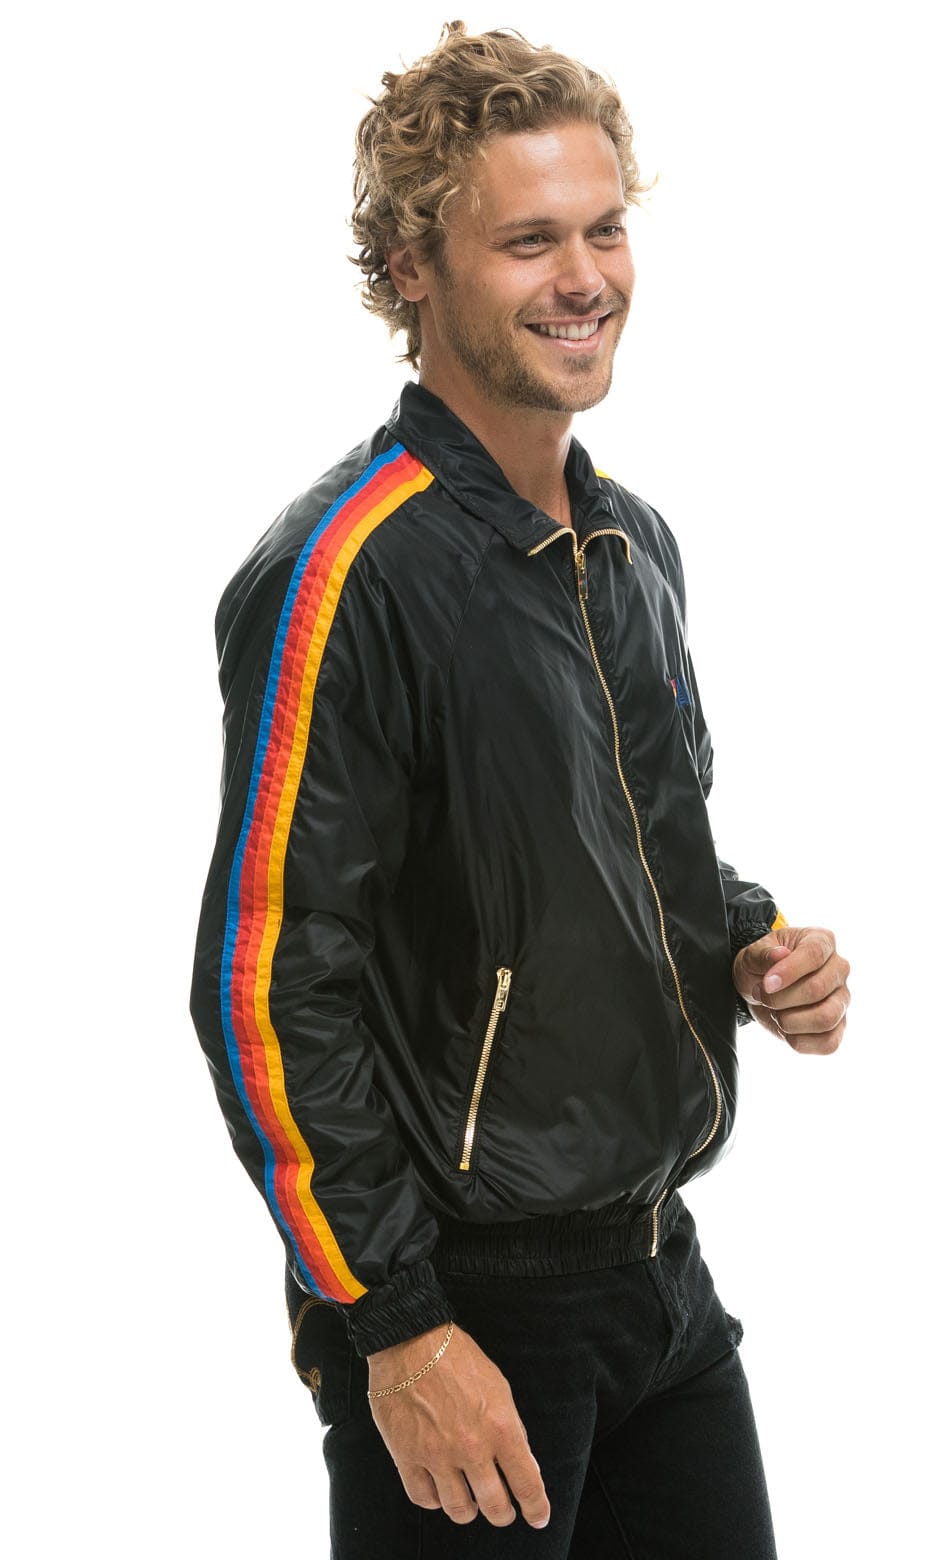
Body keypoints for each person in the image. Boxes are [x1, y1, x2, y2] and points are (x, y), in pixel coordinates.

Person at [191, 22, 851, 1559]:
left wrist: (751, 945)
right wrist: (397, 1325)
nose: (585, 277)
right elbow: (267, 983)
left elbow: (628, 848)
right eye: (529, 240)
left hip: (660, 1282)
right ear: (413, 267)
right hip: (466, 1316)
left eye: (605, 229)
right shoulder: (344, 574)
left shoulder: (632, 546)